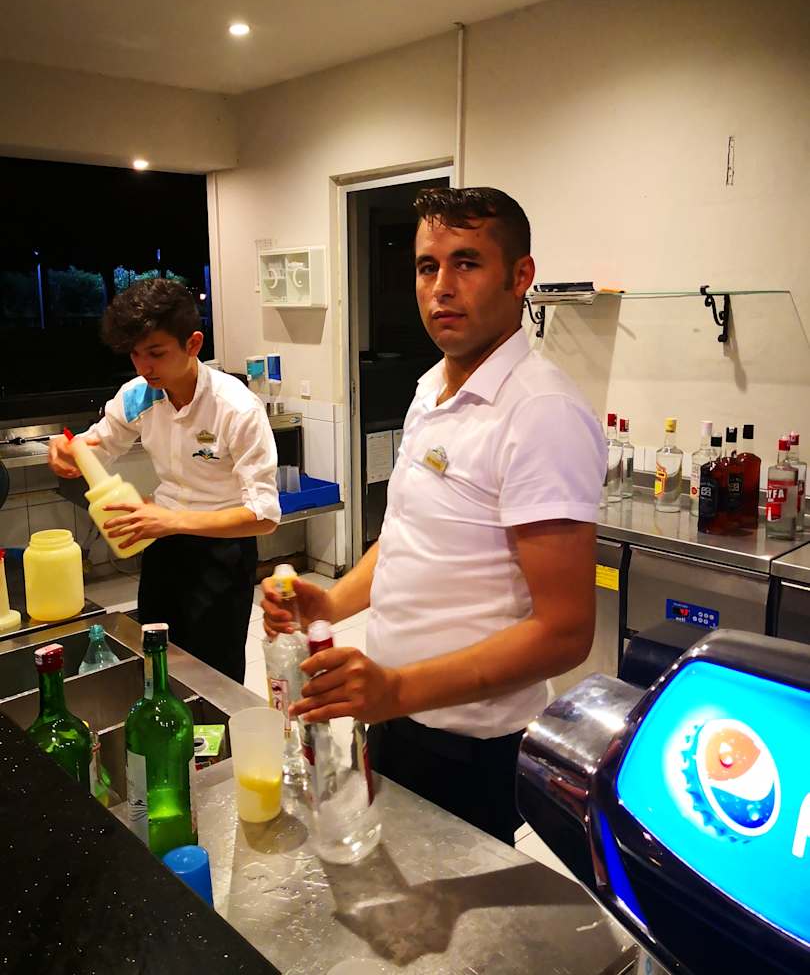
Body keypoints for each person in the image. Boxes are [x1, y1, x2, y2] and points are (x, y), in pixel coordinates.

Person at [262, 187, 605, 844]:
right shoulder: (432, 388)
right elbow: (409, 537)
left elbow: (565, 632)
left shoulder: (541, 413)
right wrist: (332, 603)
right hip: (398, 720)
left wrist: (397, 688)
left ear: (520, 276)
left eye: (467, 263)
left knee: (456, 911)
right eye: (427, 267)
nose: (441, 287)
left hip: (467, 748)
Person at [48, 278, 280, 683]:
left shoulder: (236, 408)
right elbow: (98, 445)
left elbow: (264, 515)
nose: (144, 368)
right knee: (157, 658)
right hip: (162, 543)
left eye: (155, 353)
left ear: (193, 344)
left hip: (222, 550)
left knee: (215, 672)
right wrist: (67, 450)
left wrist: (171, 520)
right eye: (135, 354)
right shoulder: (138, 395)